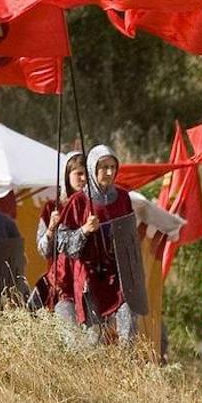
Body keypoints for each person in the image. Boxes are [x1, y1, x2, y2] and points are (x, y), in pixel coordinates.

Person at [55, 145, 138, 345]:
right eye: (103, 167)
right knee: (95, 339)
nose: (109, 172)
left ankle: (126, 370)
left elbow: (130, 236)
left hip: (118, 276)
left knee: (129, 330)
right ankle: (96, 374)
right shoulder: (78, 201)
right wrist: (84, 230)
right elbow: (62, 243)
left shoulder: (123, 198)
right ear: (93, 168)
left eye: (112, 167)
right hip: (90, 278)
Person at [34, 152, 85, 322]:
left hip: (90, 284)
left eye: (87, 173)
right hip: (63, 285)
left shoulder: (95, 208)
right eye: (79, 173)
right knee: (70, 338)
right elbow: (43, 250)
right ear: (67, 176)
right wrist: (50, 229)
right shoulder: (52, 208)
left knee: (93, 341)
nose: (83, 178)